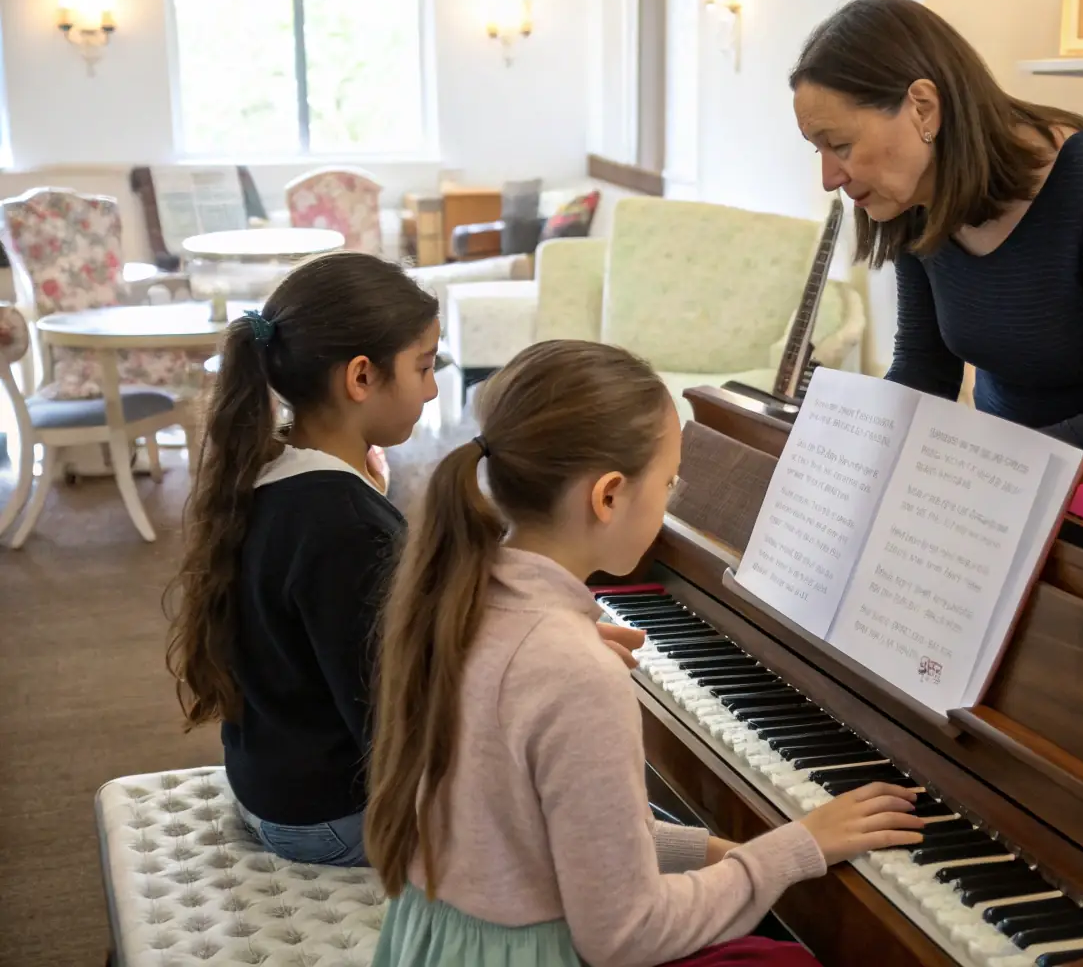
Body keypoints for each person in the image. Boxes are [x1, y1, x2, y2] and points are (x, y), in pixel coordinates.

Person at [365, 339, 924, 967]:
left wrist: (715, 851)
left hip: (443, 941)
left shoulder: (459, 599)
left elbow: (541, 829)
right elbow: (625, 935)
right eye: (668, 483)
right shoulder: (572, 668)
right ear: (607, 496)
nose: (671, 499)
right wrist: (793, 849)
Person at [791, 0, 1083, 467]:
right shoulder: (912, 198)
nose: (830, 177)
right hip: (1013, 473)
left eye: (842, 145)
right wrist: (854, 449)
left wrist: (990, 467)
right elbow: (924, 368)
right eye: (818, 151)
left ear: (923, 108)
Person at [165, 251, 442, 867]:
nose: (433, 387)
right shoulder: (344, 524)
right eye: (423, 367)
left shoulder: (275, 468)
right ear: (361, 377)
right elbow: (388, 716)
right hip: (329, 817)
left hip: (274, 784)